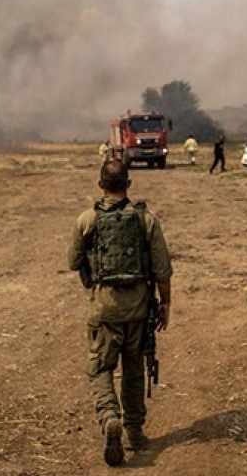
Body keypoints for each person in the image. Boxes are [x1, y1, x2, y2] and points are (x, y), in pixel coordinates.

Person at [67, 160, 173, 466]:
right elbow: (163, 269)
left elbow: (73, 261)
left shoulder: (87, 220)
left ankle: (109, 415)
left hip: (104, 309)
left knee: (101, 368)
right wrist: (165, 304)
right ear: (128, 184)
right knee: (134, 370)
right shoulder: (146, 220)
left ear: (101, 185)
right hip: (139, 310)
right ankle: (134, 433)